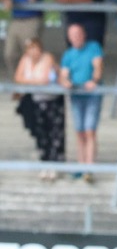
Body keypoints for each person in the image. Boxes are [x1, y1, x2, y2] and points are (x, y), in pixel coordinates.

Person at [58, 23, 104, 184]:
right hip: (76, 96)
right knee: (80, 132)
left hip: (92, 95)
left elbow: (98, 66)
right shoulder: (68, 55)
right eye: (73, 36)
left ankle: (89, 167)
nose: (76, 38)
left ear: (84, 34)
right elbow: (63, 74)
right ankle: (81, 164)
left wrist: (94, 80)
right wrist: (65, 82)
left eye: (78, 34)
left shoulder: (94, 47)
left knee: (89, 130)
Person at [14, 38, 64, 180]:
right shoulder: (25, 60)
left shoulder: (47, 58)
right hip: (36, 101)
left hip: (52, 101)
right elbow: (18, 77)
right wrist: (35, 82)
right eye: (30, 48)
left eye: (35, 48)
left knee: (54, 134)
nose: (33, 51)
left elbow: (45, 79)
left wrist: (30, 82)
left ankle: (54, 164)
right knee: (41, 134)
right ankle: (44, 163)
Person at [0, 0, 45, 76]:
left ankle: (31, 80)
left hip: (32, 19)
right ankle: (18, 79)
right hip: (16, 19)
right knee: (9, 53)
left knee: (31, 53)